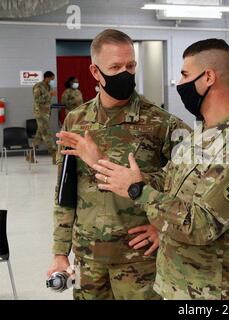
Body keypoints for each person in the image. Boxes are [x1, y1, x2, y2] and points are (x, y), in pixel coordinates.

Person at [79, 39, 229, 300]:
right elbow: (168, 181)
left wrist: (138, 190)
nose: (179, 83)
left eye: (184, 75)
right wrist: (121, 173)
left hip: (214, 292)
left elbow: (200, 225)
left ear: (208, 78)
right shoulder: (201, 135)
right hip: (177, 285)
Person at [47, 29, 190, 300]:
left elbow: (192, 187)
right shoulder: (76, 122)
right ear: (95, 72)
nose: (125, 73)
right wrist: (59, 252)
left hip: (139, 261)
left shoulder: (162, 123)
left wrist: (164, 227)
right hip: (88, 258)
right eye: (115, 67)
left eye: (131, 65)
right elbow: (64, 191)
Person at [30, 70, 57, 164]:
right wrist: (49, 94)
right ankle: (54, 155)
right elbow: (37, 100)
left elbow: (47, 101)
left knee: (39, 135)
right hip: (40, 113)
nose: (52, 81)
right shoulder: (38, 86)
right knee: (47, 133)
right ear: (47, 77)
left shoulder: (49, 87)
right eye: (52, 79)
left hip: (46, 113)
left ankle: (30, 155)